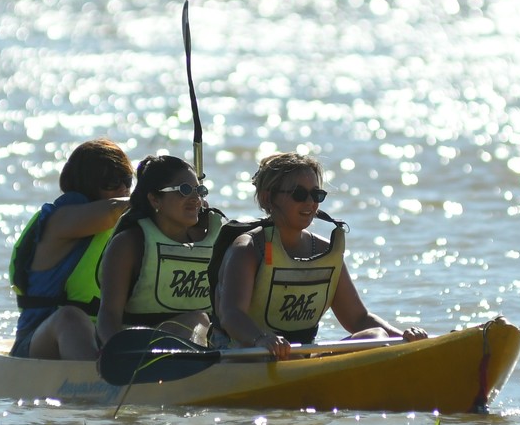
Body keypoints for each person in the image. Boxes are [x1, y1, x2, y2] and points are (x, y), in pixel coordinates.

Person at [212, 151, 427, 360]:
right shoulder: (247, 249)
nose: (309, 203)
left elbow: (359, 318)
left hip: (300, 359)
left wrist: (406, 338)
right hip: (251, 356)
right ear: (267, 198)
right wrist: (261, 339)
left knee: (376, 336)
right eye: (299, 194)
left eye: (316, 195)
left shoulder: (326, 251)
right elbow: (231, 314)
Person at [9, 138, 133, 359]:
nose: (123, 188)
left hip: (101, 336)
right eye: (112, 182)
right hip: (41, 340)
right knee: (70, 317)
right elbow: (112, 211)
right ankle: (98, 383)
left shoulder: (127, 226)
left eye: (127, 180)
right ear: (86, 184)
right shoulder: (61, 219)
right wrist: (162, 201)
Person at [96, 155, 224, 348]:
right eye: (184, 190)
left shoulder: (218, 241)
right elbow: (108, 315)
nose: (195, 199)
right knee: (198, 319)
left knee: (202, 321)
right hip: (140, 349)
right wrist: (116, 351)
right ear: (155, 199)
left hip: (202, 346)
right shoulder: (129, 244)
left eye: (199, 191)